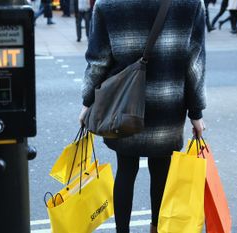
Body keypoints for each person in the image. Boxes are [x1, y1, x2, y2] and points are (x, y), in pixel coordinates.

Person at [78, 0, 207, 232]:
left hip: (123, 107)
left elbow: (98, 61)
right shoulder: (191, 4)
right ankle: (156, 228)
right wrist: (196, 112)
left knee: (126, 171)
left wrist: (88, 101)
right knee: (162, 172)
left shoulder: (108, 4)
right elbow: (194, 63)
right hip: (168, 104)